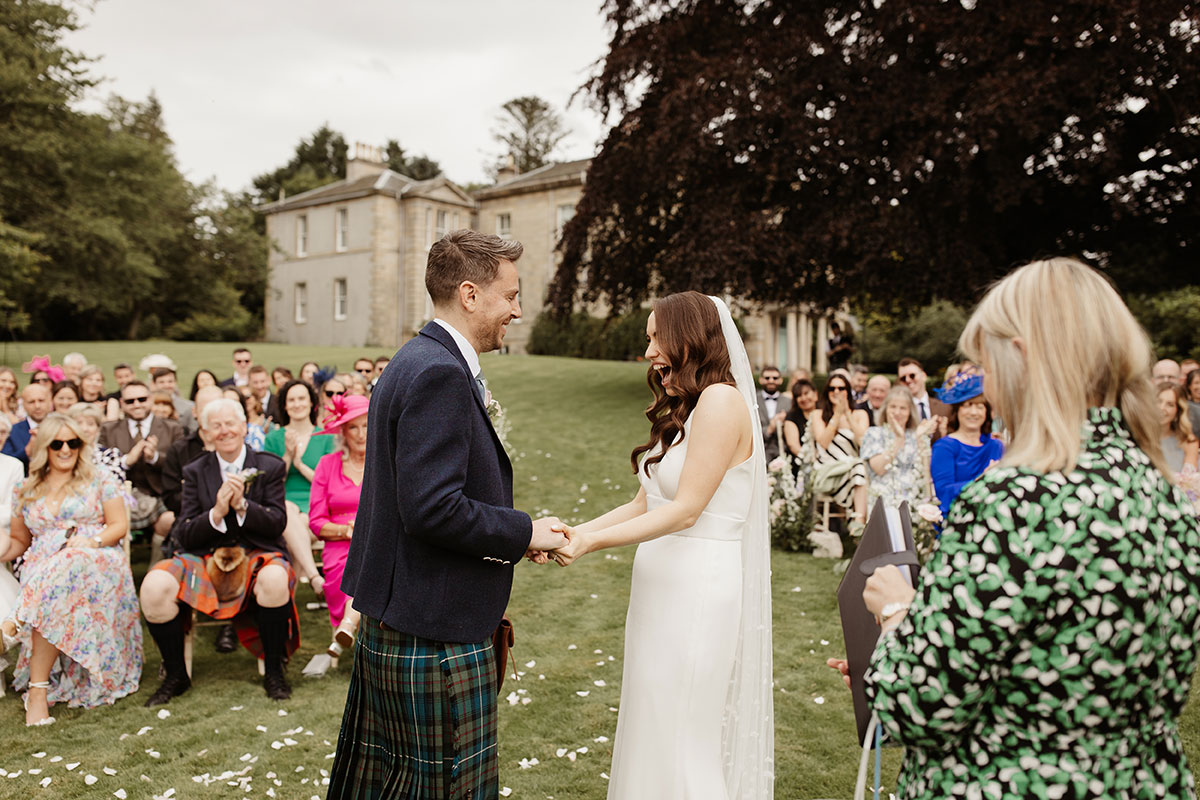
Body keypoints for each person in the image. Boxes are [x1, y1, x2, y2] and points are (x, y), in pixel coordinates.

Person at [842, 257, 1200, 797]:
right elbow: (1062, 657)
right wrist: (928, 630)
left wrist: (897, 616)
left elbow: (918, 705)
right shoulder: (1164, 494)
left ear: (1024, 354)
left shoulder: (1013, 500)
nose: (983, 383)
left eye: (984, 360)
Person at [327, 230, 569, 799]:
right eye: (510, 295)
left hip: (403, 610)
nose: (517, 309)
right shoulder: (438, 372)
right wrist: (523, 529)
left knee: (391, 785)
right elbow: (431, 508)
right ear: (469, 293)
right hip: (431, 627)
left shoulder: (414, 359)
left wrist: (513, 535)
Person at [549, 291, 773, 800]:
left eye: (655, 336)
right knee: (653, 720)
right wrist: (576, 533)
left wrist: (591, 545)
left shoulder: (721, 402)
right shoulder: (690, 407)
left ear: (687, 335)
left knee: (682, 735)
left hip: (697, 587)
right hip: (663, 588)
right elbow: (644, 503)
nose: (648, 349)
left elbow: (686, 509)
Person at [138, 398, 297, 705]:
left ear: (243, 427)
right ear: (207, 433)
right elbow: (184, 531)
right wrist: (217, 512)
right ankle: (175, 675)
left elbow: (277, 523)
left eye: (230, 424)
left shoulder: (269, 466)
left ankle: (275, 672)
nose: (224, 431)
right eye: (216, 426)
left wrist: (242, 507)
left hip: (257, 552)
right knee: (154, 587)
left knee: (276, 579)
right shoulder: (195, 470)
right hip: (205, 553)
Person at [2, 413, 141, 725]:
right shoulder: (25, 488)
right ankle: (36, 685)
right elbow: (19, 542)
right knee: (57, 573)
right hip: (45, 570)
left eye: (73, 442)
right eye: (57, 443)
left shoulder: (101, 479)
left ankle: (15, 626)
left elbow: (119, 525)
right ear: (44, 448)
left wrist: (90, 541)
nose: (66, 449)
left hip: (97, 558)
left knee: (69, 560)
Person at [307, 395, 368, 658]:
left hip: (376, 542)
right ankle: (349, 625)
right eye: (353, 427)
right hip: (339, 546)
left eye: (367, 425)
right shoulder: (327, 465)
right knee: (350, 570)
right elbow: (316, 522)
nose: (361, 434)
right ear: (343, 432)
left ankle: (347, 625)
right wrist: (345, 530)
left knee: (371, 565)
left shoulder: (383, 463)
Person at [99, 381, 184, 563]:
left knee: (169, 521)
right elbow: (100, 468)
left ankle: (156, 573)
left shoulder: (172, 428)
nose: (137, 404)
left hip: (159, 497)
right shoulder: (108, 430)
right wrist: (126, 461)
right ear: (122, 403)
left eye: (142, 399)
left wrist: (154, 458)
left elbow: (180, 467)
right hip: (118, 499)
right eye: (130, 401)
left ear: (151, 400)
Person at [261, 380, 333, 595]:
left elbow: (327, 483)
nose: (296, 404)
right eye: (291, 400)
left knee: (295, 525)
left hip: (316, 503)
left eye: (301, 398)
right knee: (287, 511)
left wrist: (299, 464)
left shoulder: (326, 437)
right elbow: (272, 482)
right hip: (285, 501)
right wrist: (287, 457)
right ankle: (314, 577)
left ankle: (287, 596)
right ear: (284, 405)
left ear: (311, 403)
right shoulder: (274, 438)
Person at [929, 374, 1004, 521]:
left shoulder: (996, 446)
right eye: (968, 406)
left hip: (994, 518)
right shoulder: (944, 447)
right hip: (958, 519)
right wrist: (981, 480)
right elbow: (943, 492)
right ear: (957, 411)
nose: (974, 412)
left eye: (979, 407)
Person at [860, 386, 937, 512]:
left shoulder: (916, 435)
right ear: (885, 409)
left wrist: (921, 439)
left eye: (903, 408)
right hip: (884, 497)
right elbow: (879, 469)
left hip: (914, 498)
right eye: (893, 407)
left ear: (910, 412)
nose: (897, 412)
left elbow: (926, 471)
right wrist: (898, 439)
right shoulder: (874, 433)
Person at [809, 372, 871, 528]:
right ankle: (859, 522)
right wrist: (836, 415)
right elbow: (823, 442)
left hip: (852, 469)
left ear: (848, 391)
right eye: (832, 388)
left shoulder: (860, 414)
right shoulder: (818, 414)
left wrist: (847, 415)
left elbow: (863, 442)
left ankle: (858, 522)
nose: (836, 392)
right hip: (827, 469)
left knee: (859, 469)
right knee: (859, 470)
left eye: (841, 388)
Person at [67, 403, 126, 483]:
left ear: (98, 429)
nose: (85, 429)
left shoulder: (111, 455)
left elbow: (115, 485)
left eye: (90, 424)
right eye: (79, 423)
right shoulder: (63, 454)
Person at [2, 383, 52, 471]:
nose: (37, 406)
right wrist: (27, 451)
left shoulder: (61, 428)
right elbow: (4, 464)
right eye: (31, 402)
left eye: (41, 400)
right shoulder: (12, 431)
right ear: (23, 404)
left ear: (50, 401)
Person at [897, 358, 949, 436]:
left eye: (912, 375)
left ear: (924, 376)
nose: (908, 380)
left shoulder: (945, 407)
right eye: (903, 378)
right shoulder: (897, 411)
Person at [1158, 381, 1199, 474]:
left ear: (1178, 412)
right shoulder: (1136, 437)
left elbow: (1188, 480)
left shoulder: (1188, 441)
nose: (1161, 408)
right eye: (1158, 401)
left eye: (1170, 404)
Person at [782, 378, 818, 472]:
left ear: (815, 394)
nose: (803, 398)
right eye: (799, 395)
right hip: (800, 464)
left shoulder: (824, 413)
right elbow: (793, 445)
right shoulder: (792, 417)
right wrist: (812, 461)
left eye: (806, 393)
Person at [758, 365, 791, 462]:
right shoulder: (753, 400)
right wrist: (769, 429)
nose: (771, 381)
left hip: (783, 454)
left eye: (775, 378)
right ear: (761, 380)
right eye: (767, 378)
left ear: (780, 380)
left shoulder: (788, 402)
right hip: (761, 453)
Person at [151, 367, 196, 434]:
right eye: (161, 382)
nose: (166, 385)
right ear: (154, 384)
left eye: (170, 381)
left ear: (175, 382)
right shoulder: (147, 405)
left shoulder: (189, 406)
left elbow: (193, 432)